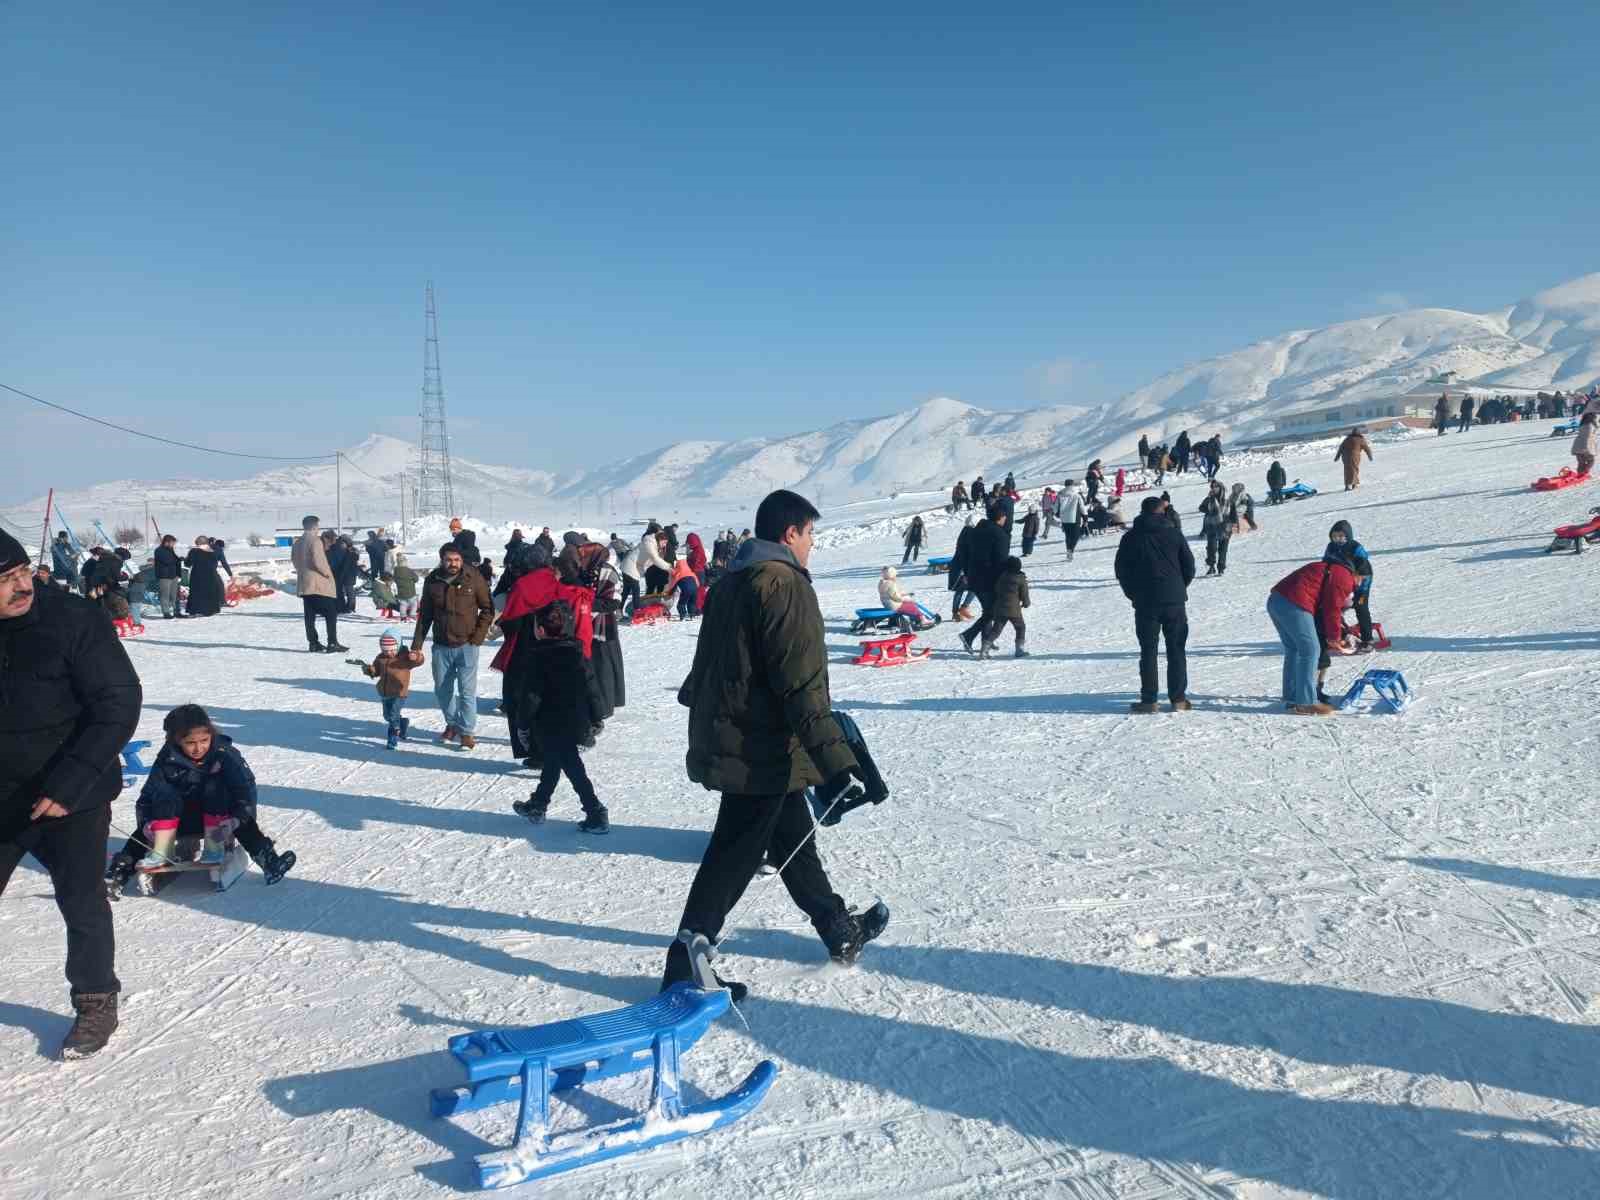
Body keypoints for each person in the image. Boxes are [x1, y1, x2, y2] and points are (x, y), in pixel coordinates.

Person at [662, 489, 887, 997]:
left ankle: (838, 930)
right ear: (790, 533)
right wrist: (835, 758)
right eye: (811, 534)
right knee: (736, 849)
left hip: (739, 735)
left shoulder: (731, 582)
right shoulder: (784, 585)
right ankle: (686, 961)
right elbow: (800, 682)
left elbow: (713, 666)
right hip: (761, 744)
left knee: (793, 840)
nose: (812, 545)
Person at [0, 529, 142, 1058]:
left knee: (81, 900)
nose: (21, 588)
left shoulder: (73, 619)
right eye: (5, 581)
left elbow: (118, 703)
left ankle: (95, 998)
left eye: (21, 573)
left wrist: (69, 783)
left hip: (70, 793)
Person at [108, 705, 296, 890]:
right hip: (177, 821)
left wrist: (237, 819)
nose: (198, 748)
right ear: (176, 740)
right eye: (190, 743)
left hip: (219, 823)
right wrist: (147, 824)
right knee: (163, 798)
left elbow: (244, 793)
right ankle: (119, 873)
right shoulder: (167, 759)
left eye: (204, 740)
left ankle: (269, 861)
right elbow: (148, 796)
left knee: (225, 800)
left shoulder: (225, 755)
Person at [510, 600, 610, 833]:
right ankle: (538, 803)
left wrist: (522, 723)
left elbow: (531, 696)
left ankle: (595, 812)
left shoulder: (538, 658)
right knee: (555, 761)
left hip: (550, 722)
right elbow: (592, 687)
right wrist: (597, 716)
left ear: (540, 630)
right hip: (574, 719)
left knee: (572, 766)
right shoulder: (577, 652)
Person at [1114, 495, 1195, 714]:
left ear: (1142, 512)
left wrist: (1133, 594)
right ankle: (1178, 699)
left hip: (1145, 601)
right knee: (1176, 649)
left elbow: (1121, 570)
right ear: (1162, 511)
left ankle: (1149, 700)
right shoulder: (1174, 533)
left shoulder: (1131, 537)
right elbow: (1189, 566)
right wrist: (1178, 587)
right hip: (1174, 600)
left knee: (1148, 650)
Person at [412, 543, 494, 750]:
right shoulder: (433, 580)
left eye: (457, 560)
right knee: (442, 689)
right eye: (449, 560)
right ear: (442, 560)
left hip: (467, 644)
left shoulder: (473, 577)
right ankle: (452, 724)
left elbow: (487, 608)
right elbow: (425, 616)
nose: (453, 564)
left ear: (462, 560)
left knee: (467, 691)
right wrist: (417, 645)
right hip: (441, 645)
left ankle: (467, 732)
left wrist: (478, 637)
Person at [1268, 549, 1356, 715]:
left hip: (1276, 601)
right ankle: (1306, 702)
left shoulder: (1325, 568)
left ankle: (1292, 696)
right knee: (1311, 650)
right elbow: (1332, 608)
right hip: (1295, 604)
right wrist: (1334, 637)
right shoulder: (1343, 575)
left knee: (1294, 648)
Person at [356, 628, 424, 749]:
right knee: (387, 716)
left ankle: (392, 739)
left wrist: (416, 656)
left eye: (392, 650)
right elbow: (375, 671)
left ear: (398, 646)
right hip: (385, 692)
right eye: (385, 650)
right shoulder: (380, 657)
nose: (389, 653)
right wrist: (369, 670)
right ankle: (402, 723)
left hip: (399, 692)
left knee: (393, 714)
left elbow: (419, 661)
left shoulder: (404, 657)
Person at [957, 505, 1011, 653]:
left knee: (988, 611)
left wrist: (967, 574)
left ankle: (985, 640)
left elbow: (965, 554)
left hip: (974, 577)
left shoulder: (975, 531)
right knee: (992, 612)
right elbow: (1001, 561)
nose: (1005, 519)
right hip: (989, 579)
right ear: (1000, 518)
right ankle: (969, 636)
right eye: (1004, 516)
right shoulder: (1000, 535)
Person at [292, 517, 343, 652]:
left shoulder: (297, 542)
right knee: (331, 613)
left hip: (304, 583)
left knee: (309, 615)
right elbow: (319, 561)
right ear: (315, 527)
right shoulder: (315, 541)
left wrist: (303, 571)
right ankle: (332, 643)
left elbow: (295, 561)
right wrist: (327, 574)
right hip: (318, 584)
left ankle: (313, 643)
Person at [981, 556, 1029, 659]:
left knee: (996, 630)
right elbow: (1024, 594)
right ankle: (1019, 650)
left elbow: (997, 589)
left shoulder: (1002, 576)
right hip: (1014, 610)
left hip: (1000, 608)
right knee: (1020, 627)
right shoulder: (1021, 578)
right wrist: (1026, 603)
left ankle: (984, 650)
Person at [1198, 480, 1232, 577]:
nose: (1213, 488)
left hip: (1225, 527)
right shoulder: (1209, 499)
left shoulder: (1227, 500)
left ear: (1220, 488)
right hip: (1211, 527)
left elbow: (1232, 514)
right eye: (1212, 487)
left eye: (1215, 487)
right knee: (1211, 549)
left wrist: (1231, 526)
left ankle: (1221, 568)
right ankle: (1211, 567)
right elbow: (1201, 508)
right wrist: (1210, 505)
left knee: (1223, 549)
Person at [948, 515, 978, 621]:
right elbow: (966, 554)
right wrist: (966, 572)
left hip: (958, 566)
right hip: (961, 567)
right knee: (973, 587)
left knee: (961, 590)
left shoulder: (965, 531)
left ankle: (956, 612)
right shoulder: (970, 533)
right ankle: (962, 609)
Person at [184, 536, 223, 617]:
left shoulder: (194, 551)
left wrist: (185, 559)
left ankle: (194, 610)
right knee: (209, 592)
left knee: (196, 593)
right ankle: (209, 610)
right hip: (210, 575)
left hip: (197, 575)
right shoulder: (212, 551)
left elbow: (187, 564)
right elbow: (215, 563)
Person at [637, 528, 671, 596]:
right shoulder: (651, 544)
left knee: (659, 589)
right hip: (652, 570)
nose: (664, 544)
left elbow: (666, 558)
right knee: (651, 589)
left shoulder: (665, 546)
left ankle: (657, 603)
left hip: (661, 571)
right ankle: (648, 603)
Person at [1058, 482, 1084, 561]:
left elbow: (1055, 506)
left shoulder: (1060, 494)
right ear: (1072, 485)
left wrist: (1057, 514)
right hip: (1075, 518)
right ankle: (1071, 550)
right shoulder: (1076, 495)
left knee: (1068, 536)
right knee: (1076, 535)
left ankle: (1069, 550)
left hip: (1064, 519)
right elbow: (1082, 507)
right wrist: (1085, 516)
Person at [391, 552, 420, 621]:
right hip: (410, 592)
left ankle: (403, 616)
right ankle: (412, 614)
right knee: (414, 604)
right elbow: (416, 579)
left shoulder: (395, 571)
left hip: (401, 592)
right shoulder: (409, 570)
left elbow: (394, 579)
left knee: (403, 604)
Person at [1572, 412, 1597, 476]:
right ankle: (1585, 472)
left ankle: (1580, 472)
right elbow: (1588, 437)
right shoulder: (1591, 425)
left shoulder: (1582, 424)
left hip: (1577, 445)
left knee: (1581, 462)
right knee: (1591, 460)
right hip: (1586, 446)